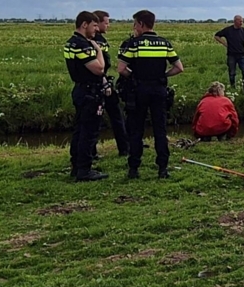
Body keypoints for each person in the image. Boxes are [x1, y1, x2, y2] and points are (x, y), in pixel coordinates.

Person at [118, 10, 184, 179]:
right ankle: (162, 168)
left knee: (136, 130)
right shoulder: (164, 43)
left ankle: (134, 168)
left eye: (135, 24)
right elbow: (179, 68)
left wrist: (134, 77)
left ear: (141, 24)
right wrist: (163, 75)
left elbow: (121, 69)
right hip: (159, 90)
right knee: (160, 130)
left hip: (139, 90)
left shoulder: (134, 44)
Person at [63, 11, 108, 182]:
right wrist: (98, 51)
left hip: (80, 90)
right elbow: (99, 69)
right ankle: (85, 169)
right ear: (84, 25)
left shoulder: (70, 43)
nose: (96, 29)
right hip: (90, 92)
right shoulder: (83, 45)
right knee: (89, 132)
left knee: (79, 130)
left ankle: (76, 165)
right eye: (94, 25)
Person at [91, 10, 129, 158]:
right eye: (106, 23)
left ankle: (92, 151)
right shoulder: (97, 41)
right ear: (97, 23)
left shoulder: (95, 40)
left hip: (102, 80)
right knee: (114, 116)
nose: (108, 26)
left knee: (97, 118)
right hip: (101, 82)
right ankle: (124, 149)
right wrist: (104, 81)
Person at [214, 15, 244, 92]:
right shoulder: (228, 30)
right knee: (232, 73)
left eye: (242, 21)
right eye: (240, 21)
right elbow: (217, 36)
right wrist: (225, 44)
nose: (241, 23)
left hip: (242, 55)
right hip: (231, 55)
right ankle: (232, 88)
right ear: (235, 21)